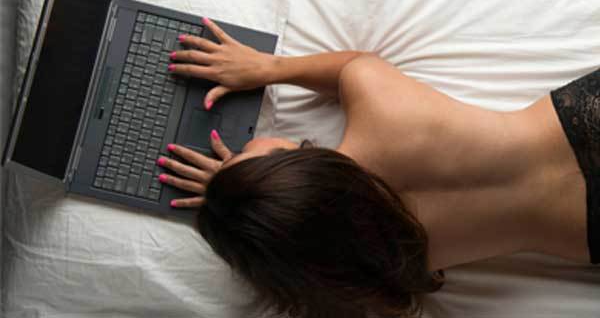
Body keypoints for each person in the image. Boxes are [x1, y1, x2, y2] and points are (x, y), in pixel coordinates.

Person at [155, 17, 598, 318]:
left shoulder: (379, 267)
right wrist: (269, 67)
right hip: (584, 123)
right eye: (248, 152)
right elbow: (351, 66)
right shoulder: (384, 114)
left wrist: (247, 213)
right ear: (287, 159)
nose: (248, 142)